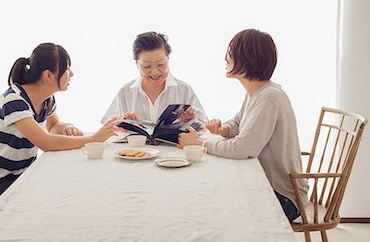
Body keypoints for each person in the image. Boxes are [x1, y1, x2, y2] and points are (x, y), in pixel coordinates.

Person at [0, 43, 121, 214]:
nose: (72, 74)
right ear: (48, 75)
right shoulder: (13, 99)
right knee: (53, 197)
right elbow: (46, 143)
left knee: (62, 187)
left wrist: (67, 127)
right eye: (67, 68)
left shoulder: (47, 100)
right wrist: (94, 139)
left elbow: (54, 126)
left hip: (21, 176)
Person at [177, 29, 308, 221]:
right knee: (210, 194)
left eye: (231, 52)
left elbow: (243, 148)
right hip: (266, 186)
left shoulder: (270, 97)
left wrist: (199, 144)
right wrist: (224, 129)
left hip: (282, 197)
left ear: (247, 58)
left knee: (216, 206)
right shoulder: (257, 93)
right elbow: (239, 122)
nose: (225, 58)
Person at [101, 31, 208, 124]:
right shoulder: (126, 92)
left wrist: (189, 121)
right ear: (137, 65)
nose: (155, 72)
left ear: (168, 60)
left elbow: (204, 127)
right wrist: (123, 126)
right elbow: (108, 131)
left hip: (172, 148)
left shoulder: (183, 90)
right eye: (147, 66)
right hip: (138, 148)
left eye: (161, 64)